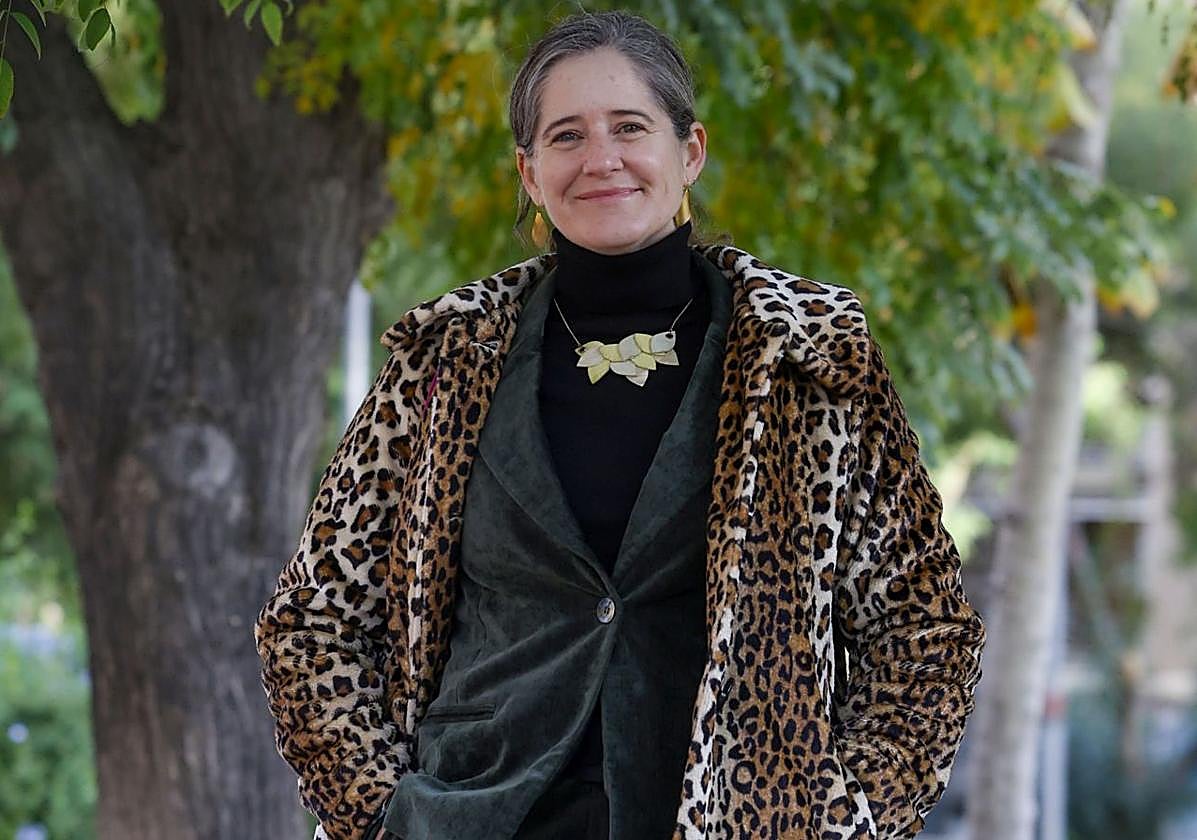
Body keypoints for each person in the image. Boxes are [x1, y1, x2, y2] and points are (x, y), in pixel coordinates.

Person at [254, 10, 987, 840]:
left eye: (629, 127)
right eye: (565, 136)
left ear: (690, 151)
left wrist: (843, 819)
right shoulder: (444, 360)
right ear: (529, 172)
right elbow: (312, 620)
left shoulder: (810, 361)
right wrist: (384, 815)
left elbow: (922, 630)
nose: (600, 158)